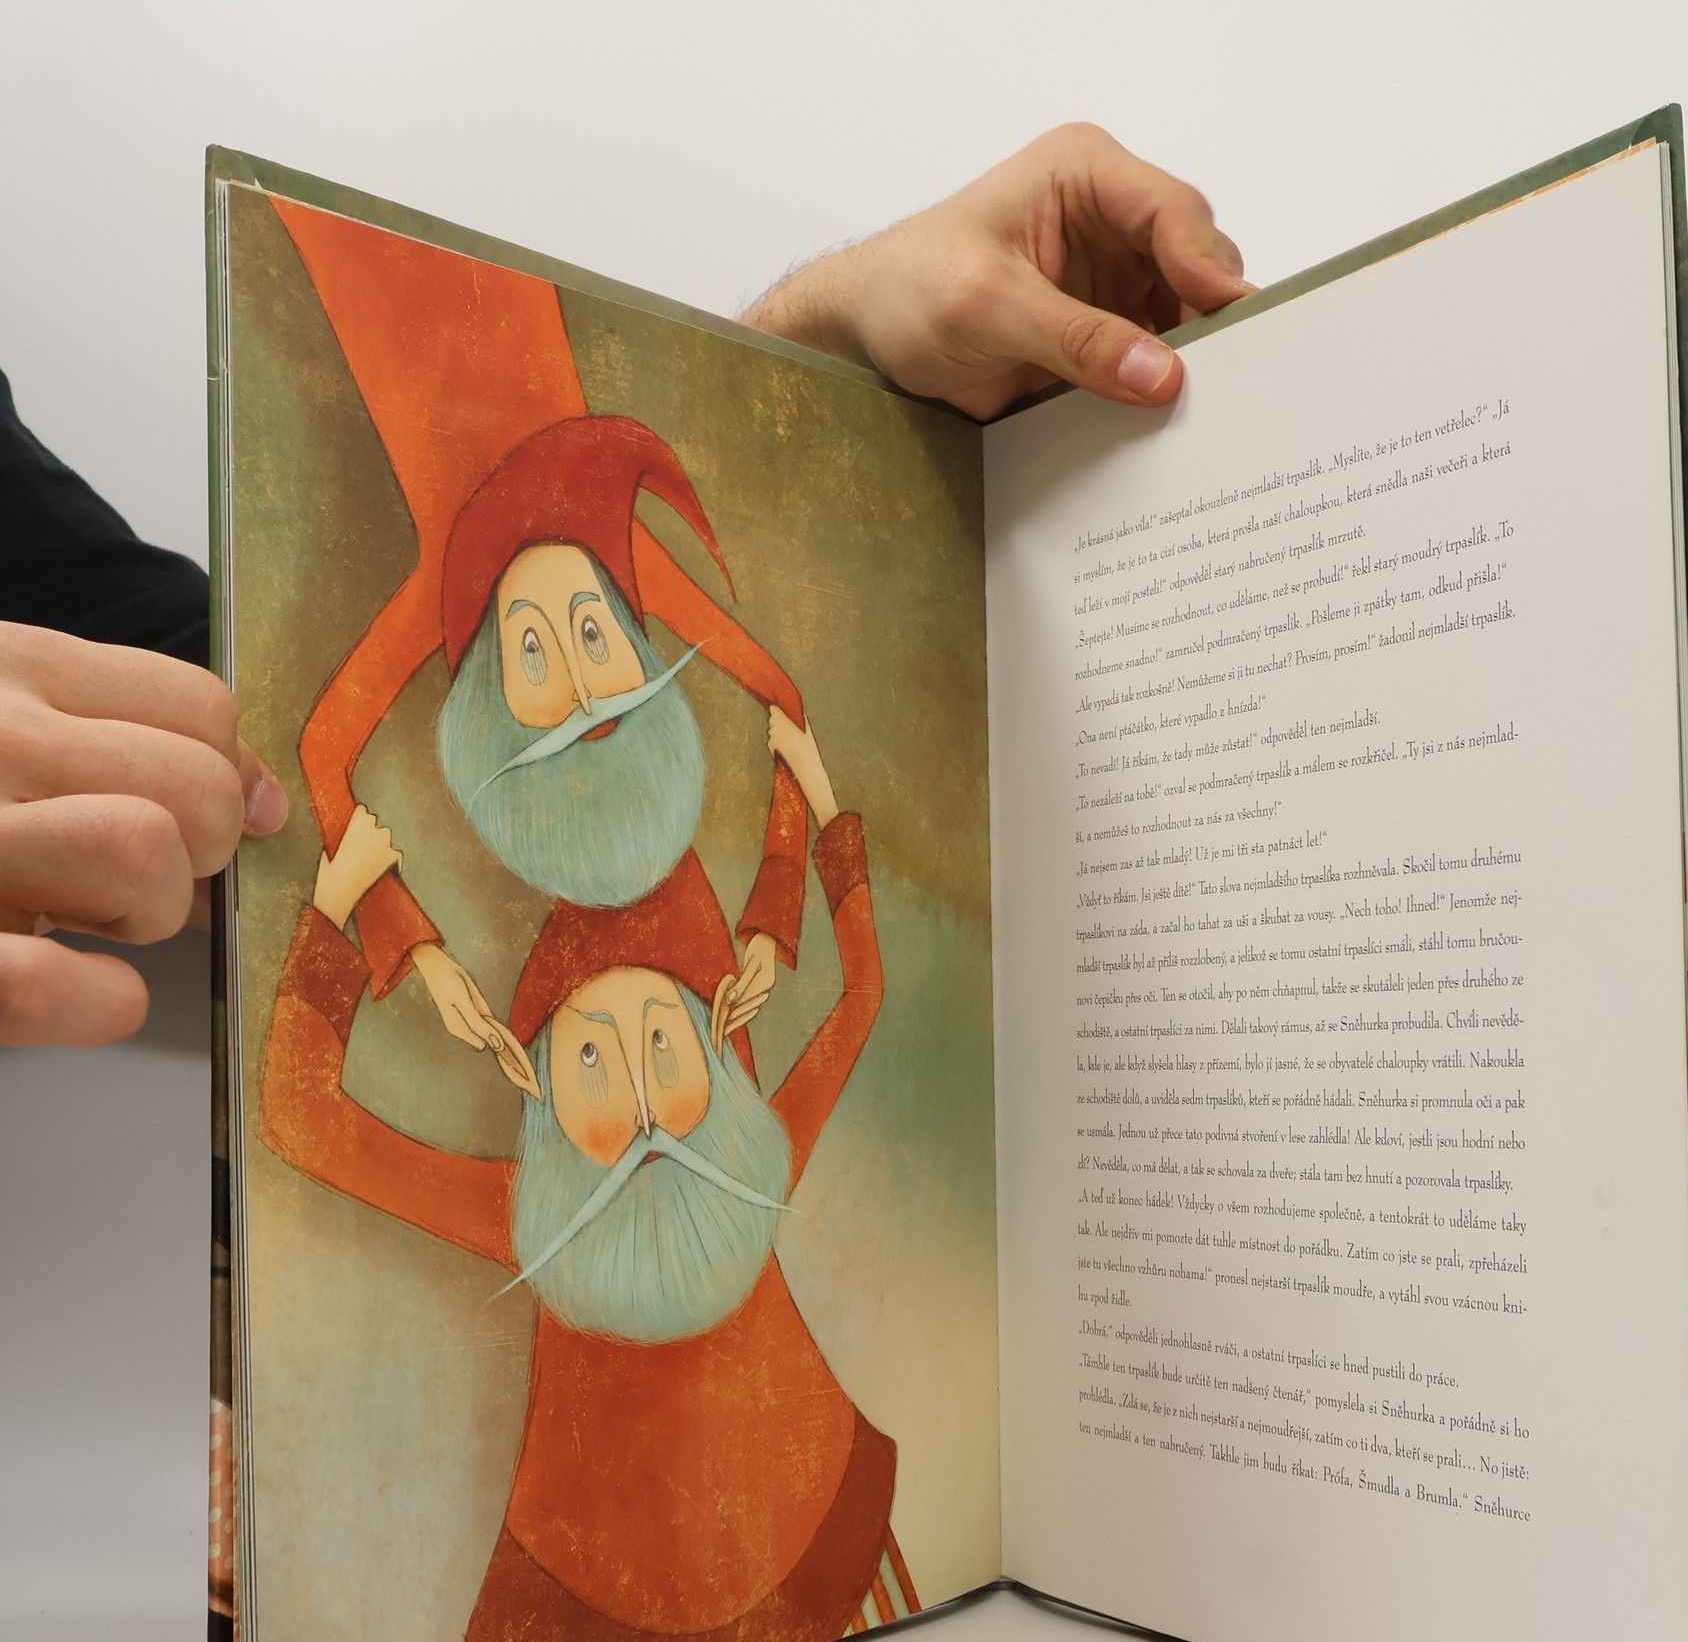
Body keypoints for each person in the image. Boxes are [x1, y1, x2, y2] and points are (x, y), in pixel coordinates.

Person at [0, 122, 1251, 1049]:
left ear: (486, 700)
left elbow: (266, 751)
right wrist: (774, 908)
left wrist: (407, 945)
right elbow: (784, 702)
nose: (569, 644)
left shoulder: (439, 598)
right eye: (603, 658)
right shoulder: (627, 569)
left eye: (542, 672)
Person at [259, 715, 911, 1642]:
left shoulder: (752, 1154)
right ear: (540, 1089)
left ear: (718, 1047)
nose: (644, 1104)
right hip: (602, 1616)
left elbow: (864, 995)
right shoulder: (534, 1214)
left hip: (812, 1543)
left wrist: (817, 800)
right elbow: (301, 1123)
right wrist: (334, 908)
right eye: (595, 1060)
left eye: (664, 1048)